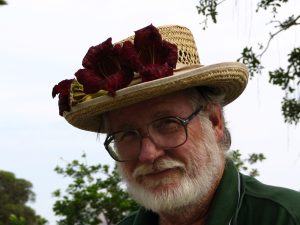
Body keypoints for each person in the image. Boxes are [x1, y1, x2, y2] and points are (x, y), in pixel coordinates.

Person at [52, 24, 300, 225]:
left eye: (167, 123)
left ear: (215, 122)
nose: (148, 154)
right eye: (127, 134)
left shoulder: (287, 217)